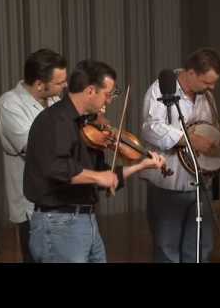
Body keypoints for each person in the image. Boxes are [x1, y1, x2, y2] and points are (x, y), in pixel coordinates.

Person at [24, 59, 166, 263]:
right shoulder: (55, 120)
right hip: (58, 222)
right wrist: (99, 177)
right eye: (107, 95)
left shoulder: (86, 125)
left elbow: (102, 176)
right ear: (90, 91)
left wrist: (141, 165)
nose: (109, 102)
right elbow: (58, 169)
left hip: (85, 220)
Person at [141, 48, 220, 263]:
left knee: (199, 247)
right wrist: (188, 139)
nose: (211, 87)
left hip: (200, 183)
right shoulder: (160, 88)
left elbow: (211, 129)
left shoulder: (207, 96)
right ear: (191, 73)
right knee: (167, 248)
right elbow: (150, 128)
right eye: (207, 82)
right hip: (168, 183)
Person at [0, 48, 68, 262]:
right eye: (59, 82)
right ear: (39, 84)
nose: (65, 86)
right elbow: (36, 149)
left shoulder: (55, 101)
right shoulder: (9, 104)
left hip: (63, 199)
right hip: (33, 205)